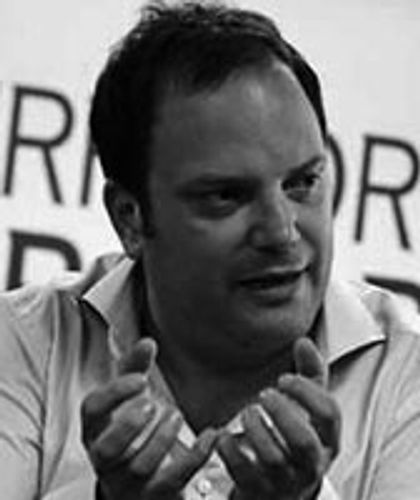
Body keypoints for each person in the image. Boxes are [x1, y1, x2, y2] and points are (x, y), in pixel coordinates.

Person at [1, 1, 420, 499]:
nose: (281, 232)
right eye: (227, 195)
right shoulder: (21, 341)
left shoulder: (409, 374)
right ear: (130, 217)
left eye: (302, 183)